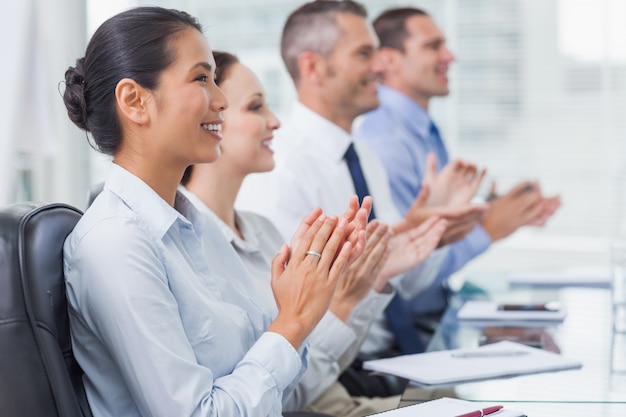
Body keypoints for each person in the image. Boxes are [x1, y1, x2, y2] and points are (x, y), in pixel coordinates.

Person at [61, 7, 363, 417]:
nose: (221, 101)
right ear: (135, 101)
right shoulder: (115, 243)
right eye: (202, 78)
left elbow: (277, 390)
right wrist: (292, 320)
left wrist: (308, 305)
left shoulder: (197, 227)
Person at [236, 0, 488, 396]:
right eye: (364, 53)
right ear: (313, 67)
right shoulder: (281, 169)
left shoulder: (362, 154)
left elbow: (400, 282)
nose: (381, 66)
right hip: (333, 376)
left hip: (389, 355)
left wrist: (431, 232)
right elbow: (290, 314)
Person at [181, 50, 427, 417]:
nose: (276, 121)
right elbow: (282, 388)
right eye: (255, 107)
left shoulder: (260, 231)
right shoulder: (188, 246)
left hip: (321, 397)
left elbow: (302, 371)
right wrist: (341, 303)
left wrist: (358, 290)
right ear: (211, 118)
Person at [356, 7, 562, 315]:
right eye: (433, 46)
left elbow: (434, 227)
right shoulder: (384, 141)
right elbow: (408, 268)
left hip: (436, 311)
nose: (449, 56)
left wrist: (492, 211)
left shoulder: (419, 129)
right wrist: (489, 228)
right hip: (405, 332)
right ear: (388, 60)